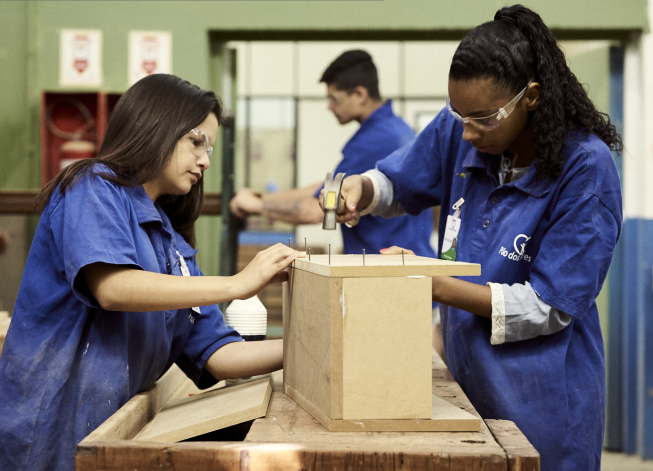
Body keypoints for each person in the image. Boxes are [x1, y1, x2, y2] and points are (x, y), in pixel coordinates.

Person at [328, 5, 622, 471]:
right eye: (457, 113)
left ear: (531, 96)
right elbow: (397, 183)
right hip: (466, 390)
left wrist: (431, 283)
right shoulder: (462, 128)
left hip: (542, 405)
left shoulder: (585, 169)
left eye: (483, 118)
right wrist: (360, 189)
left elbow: (549, 307)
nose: (466, 131)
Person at [0, 74, 303, 471]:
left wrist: (311, 350)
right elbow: (113, 287)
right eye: (197, 142)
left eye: (209, 148)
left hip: (110, 431)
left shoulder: (171, 243)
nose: (206, 160)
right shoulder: (92, 187)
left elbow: (220, 354)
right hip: (51, 430)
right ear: (158, 125)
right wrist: (238, 284)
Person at [230, 50, 435, 258]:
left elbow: (316, 209)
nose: (329, 106)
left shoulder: (375, 140)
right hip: (405, 259)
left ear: (360, 95)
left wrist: (256, 205)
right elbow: (325, 188)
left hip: (388, 269)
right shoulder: (396, 129)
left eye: (334, 98)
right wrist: (264, 196)